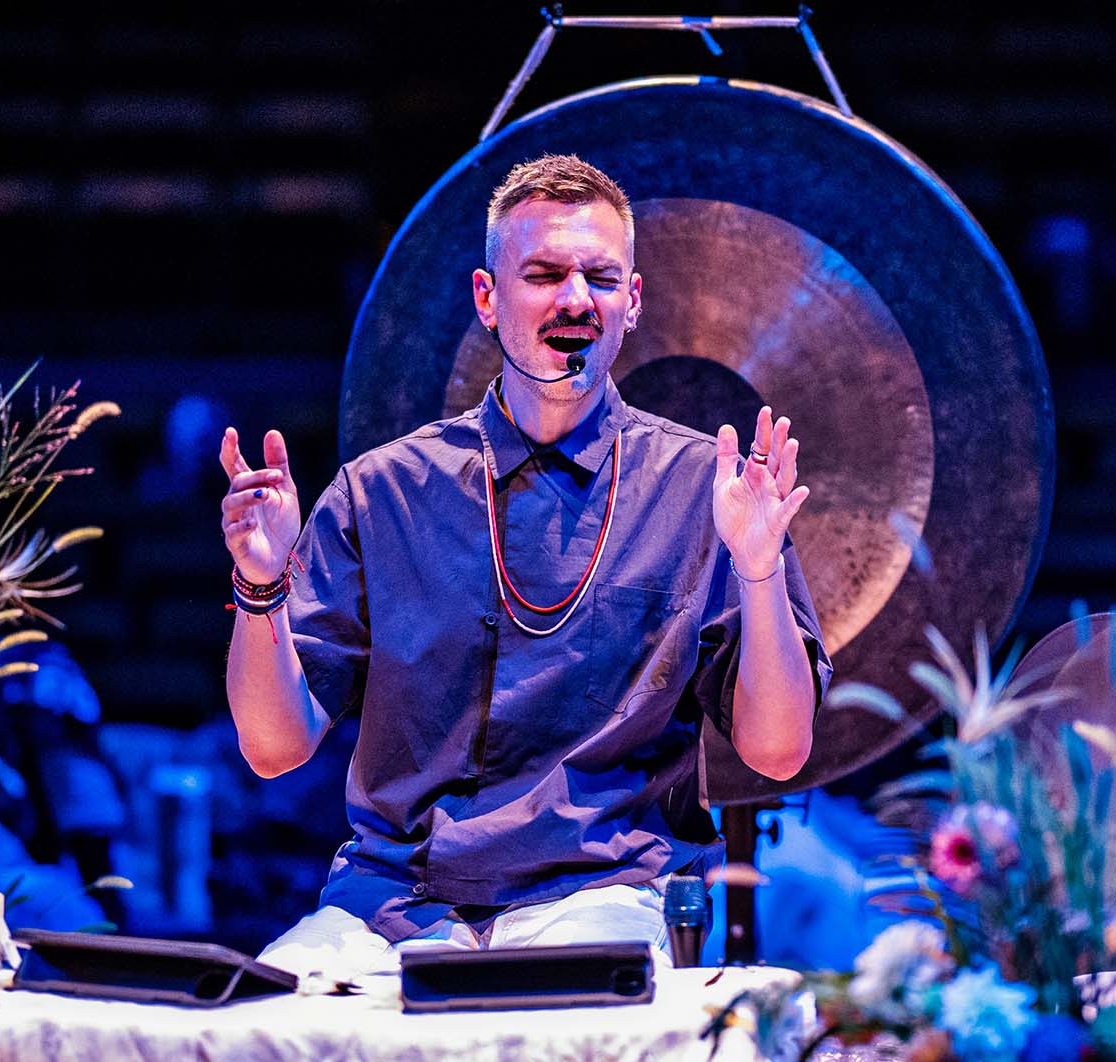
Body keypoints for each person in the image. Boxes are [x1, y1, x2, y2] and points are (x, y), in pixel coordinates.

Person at [217, 154, 830, 977]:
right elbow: (273, 746)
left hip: (602, 890)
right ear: (487, 297)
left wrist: (757, 569)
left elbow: (779, 752)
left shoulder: (703, 491)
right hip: (392, 897)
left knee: (558, 1017)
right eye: (543, 274)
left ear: (632, 302)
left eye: (599, 279)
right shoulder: (383, 491)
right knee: (276, 1023)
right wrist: (261, 584)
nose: (575, 299)